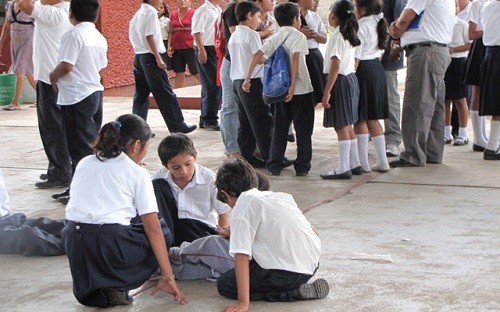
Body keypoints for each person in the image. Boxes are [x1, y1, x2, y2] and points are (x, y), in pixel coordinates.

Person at [61, 114, 187, 307]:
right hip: (108, 245)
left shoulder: (85, 162)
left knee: (111, 226)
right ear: (137, 145)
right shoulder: (137, 173)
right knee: (161, 229)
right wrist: (168, 276)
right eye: (146, 147)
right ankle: (117, 282)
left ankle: (103, 286)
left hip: (74, 242)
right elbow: (152, 228)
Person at [215, 158, 329, 312]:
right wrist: (232, 232)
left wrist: (243, 303)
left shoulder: (241, 207)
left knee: (225, 284)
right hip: (312, 265)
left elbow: (241, 256)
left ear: (224, 193)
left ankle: (291, 293)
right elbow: (312, 230)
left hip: (286, 275)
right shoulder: (278, 197)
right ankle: (295, 285)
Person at [244, 2, 314, 177]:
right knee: (303, 129)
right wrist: (292, 87)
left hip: (279, 91)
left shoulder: (276, 36)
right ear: (295, 19)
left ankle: (274, 164)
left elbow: (257, 55)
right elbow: (296, 59)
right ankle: (302, 165)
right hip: (301, 90)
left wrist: (247, 78)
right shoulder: (298, 36)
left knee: (280, 128)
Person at [49, 0, 107, 205]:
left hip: (76, 96)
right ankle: (77, 187)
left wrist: (52, 76)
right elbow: (101, 69)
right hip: (93, 93)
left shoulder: (73, 35)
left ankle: (84, 191)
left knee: (79, 147)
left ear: (71, 13)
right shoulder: (98, 36)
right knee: (90, 144)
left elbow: (66, 65)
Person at [388, 0, 454, 167]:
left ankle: (413, 154)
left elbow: (404, 19)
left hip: (426, 52)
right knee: (434, 106)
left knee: (417, 105)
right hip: (436, 50)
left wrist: (395, 32)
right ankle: (432, 152)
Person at [17, 0, 73, 190]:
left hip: (50, 79)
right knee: (57, 127)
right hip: (52, 77)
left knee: (52, 128)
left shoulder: (55, 13)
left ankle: (60, 172)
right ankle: (58, 168)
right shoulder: (63, 11)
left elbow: (23, 4)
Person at [129, 0, 197, 134]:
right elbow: (149, 36)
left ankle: (137, 129)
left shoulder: (138, 14)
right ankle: (177, 125)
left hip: (140, 56)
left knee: (141, 95)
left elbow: (134, 36)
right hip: (150, 56)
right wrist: (158, 57)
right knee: (165, 92)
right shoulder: (150, 13)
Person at [151, 133, 231, 246]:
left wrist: (220, 241)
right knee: (157, 185)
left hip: (201, 231)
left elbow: (223, 213)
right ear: (165, 166)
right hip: (173, 231)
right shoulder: (160, 178)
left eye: (188, 164)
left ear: (195, 157)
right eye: (176, 168)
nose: (184, 171)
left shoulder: (209, 179)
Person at [320, 0, 361, 180]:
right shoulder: (349, 33)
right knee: (348, 124)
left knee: (341, 125)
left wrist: (327, 91)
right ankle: (355, 163)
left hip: (340, 81)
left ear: (333, 16)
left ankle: (344, 167)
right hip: (350, 79)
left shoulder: (337, 36)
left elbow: (335, 65)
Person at [228, 1, 273, 168]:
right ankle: (271, 157)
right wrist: (272, 57)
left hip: (237, 81)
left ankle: (247, 155)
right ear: (249, 15)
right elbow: (259, 57)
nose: (259, 21)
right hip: (251, 82)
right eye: (258, 16)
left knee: (245, 121)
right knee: (261, 120)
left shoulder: (234, 35)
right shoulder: (251, 35)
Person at [353, 0, 390, 173]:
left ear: (363, 8)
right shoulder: (378, 22)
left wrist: (350, 74)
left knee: (360, 117)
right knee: (373, 117)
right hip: (376, 68)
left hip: (363, 70)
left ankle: (363, 163)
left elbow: (356, 56)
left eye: (355, 5)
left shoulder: (361, 25)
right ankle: (382, 161)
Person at [381, 0, 407, 157]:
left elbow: (400, 22)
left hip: (387, 52)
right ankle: (368, 132)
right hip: (362, 52)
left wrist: (395, 45)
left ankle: (393, 138)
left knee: (390, 96)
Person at [464, 0, 491, 152]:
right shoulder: (477, 4)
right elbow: (472, 33)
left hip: (491, 45)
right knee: (477, 91)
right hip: (480, 47)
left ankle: (484, 136)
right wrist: (492, 30)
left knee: (487, 92)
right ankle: (478, 138)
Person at [444, 0, 471, 146]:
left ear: (458, 7)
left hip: (459, 62)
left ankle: (463, 133)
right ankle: (446, 133)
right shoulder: (442, 23)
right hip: (445, 62)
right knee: (445, 99)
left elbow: (469, 44)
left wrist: (454, 49)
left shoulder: (462, 24)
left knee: (460, 99)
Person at [192, 0, 222, 130]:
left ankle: (205, 118)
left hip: (215, 48)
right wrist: (201, 50)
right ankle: (209, 119)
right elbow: (196, 32)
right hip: (206, 48)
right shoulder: (203, 11)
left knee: (212, 84)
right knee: (212, 84)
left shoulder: (218, 9)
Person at [0, 0, 35, 111]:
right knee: (28, 72)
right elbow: (6, 26)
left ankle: (15, 102)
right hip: (15, 40)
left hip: (29, 39)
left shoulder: (32, 4)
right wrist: (1, 42)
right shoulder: (10, 5)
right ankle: (43, 97)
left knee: (20, 69)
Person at [219, 0, 243, 159]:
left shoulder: (252, 7)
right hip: (231, 63)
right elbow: (236, 34)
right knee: (229, 106)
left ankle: (247, 145)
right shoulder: (232, 9)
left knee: (243, 108)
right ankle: (232, 148)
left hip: (245, 63)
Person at [293, 0, 327, 105]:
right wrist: (300, 34)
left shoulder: (315, 16)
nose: (314, 2)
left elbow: (324, 38)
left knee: (315, 93)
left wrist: (313, 34)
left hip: (314, 56)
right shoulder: (290, 15)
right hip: (297, 55)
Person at [479, 0, 500, 160]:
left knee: (496, 104)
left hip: (490, 53)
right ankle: (492, 147)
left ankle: (493, 145)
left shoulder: (487, 5)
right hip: (496, 53)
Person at [167, 0, 199, 88]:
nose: (182, 1)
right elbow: (171, 31)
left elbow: (198, 30)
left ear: (190, 2)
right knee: (179, 71)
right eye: (180, 0)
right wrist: (169, 46)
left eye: (185, 0)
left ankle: (209, 88)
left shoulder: (194, 13)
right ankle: (178, 95)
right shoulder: (173, 14)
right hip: (177, 47)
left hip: (190, 46)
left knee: (195, 70)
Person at [158, 0, 172, 70]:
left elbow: (170, 33)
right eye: (156, 7)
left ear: (164, 10)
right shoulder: (151, 20)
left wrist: (169, 46)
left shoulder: (167, 21)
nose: (158, 10)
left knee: (164, 64)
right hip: (155, 44)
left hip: (164, 43)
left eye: (161, 8)